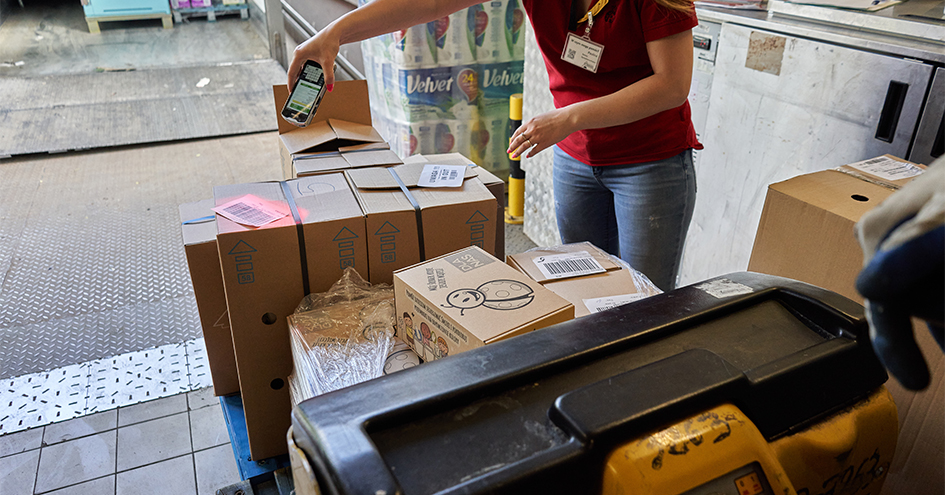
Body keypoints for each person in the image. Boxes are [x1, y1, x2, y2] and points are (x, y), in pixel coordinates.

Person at [289, 0, 701, 290]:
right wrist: (334, 34)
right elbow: (430, 4)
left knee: (645, 303)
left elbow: (671, 85)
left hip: (650, 163)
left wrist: (568, 118)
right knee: (587, 285)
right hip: (575, 158)